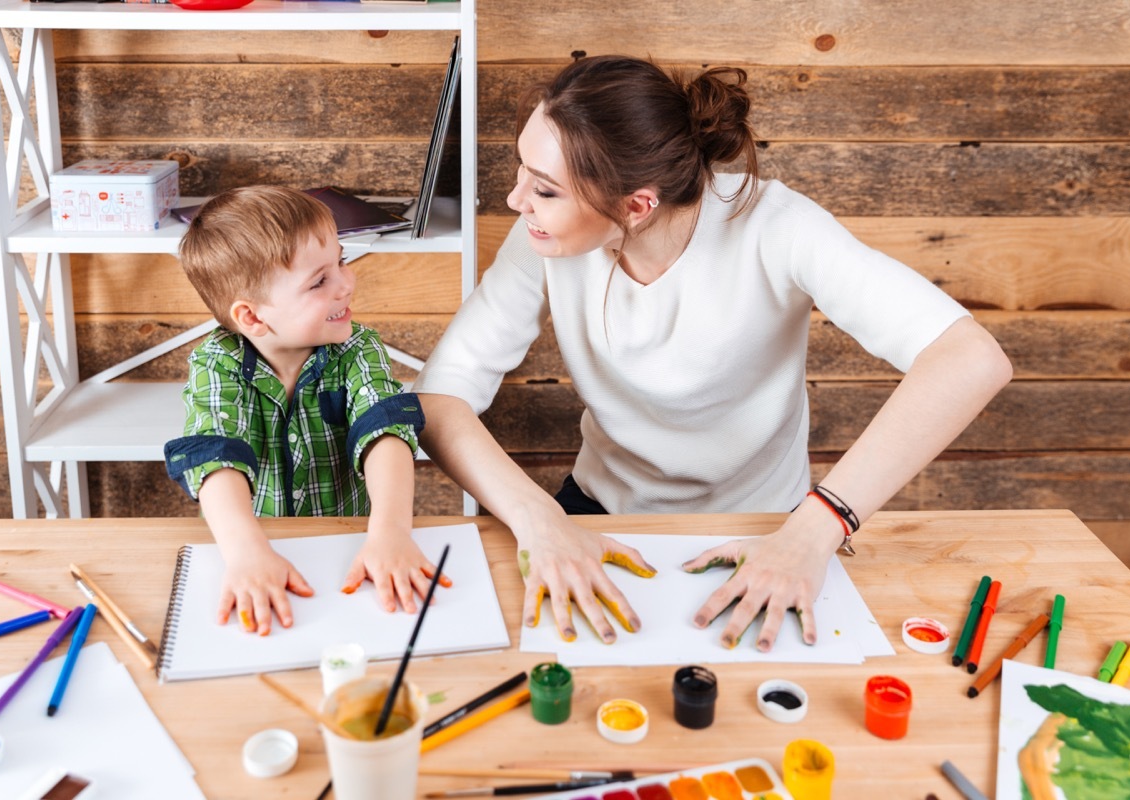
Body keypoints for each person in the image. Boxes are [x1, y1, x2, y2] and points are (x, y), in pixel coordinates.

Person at [414, 56, 1012, 651]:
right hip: (594, 512)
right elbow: (441, 399)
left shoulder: (778, 227)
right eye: (523, 172)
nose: (517, 200)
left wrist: (817, 527)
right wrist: (542, 520)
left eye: (544, 188)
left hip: (770, 529)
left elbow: (969, 359)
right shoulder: (538, 237)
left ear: (636, 206)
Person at [164, 186, 446, 636]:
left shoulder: (358, 349)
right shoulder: (216, 364)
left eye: (341, 262)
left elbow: (386, 433)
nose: (346, 283)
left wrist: (391, 532)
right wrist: (245, 553)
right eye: (319, 281)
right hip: (255, 548)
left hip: (351, 543)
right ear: (252, 318)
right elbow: (215, 456)